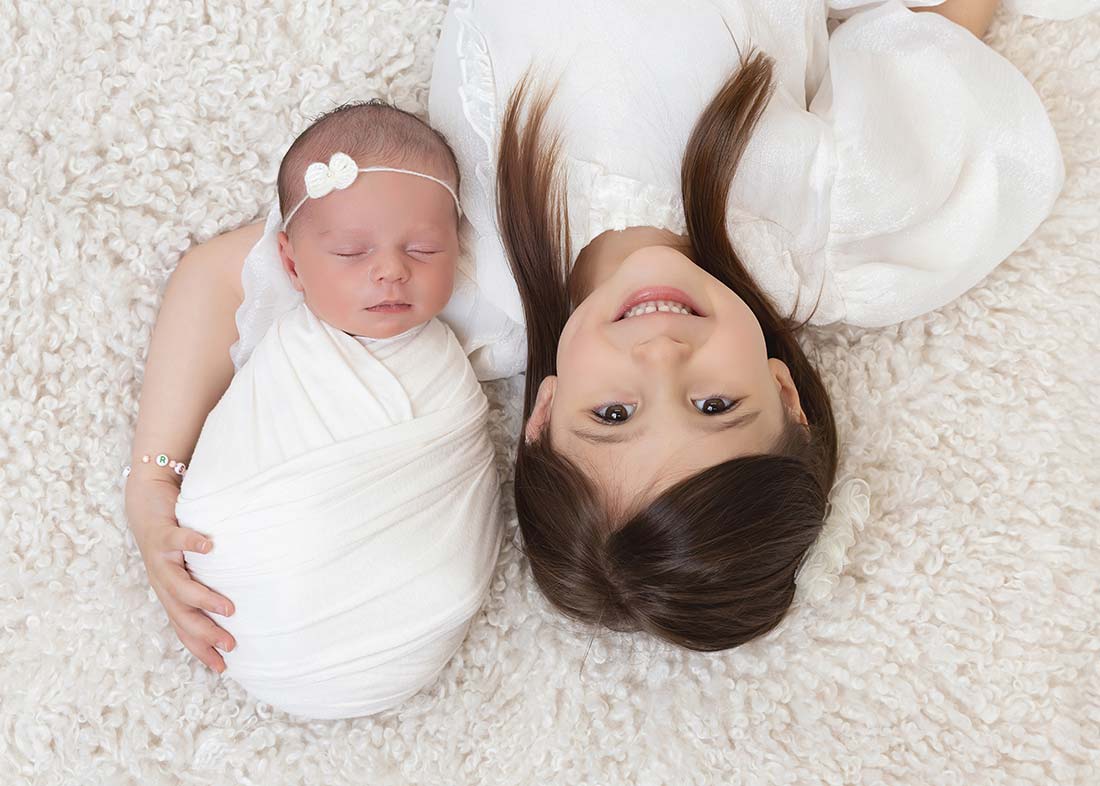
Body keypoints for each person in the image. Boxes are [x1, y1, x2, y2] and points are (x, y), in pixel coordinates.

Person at [125, 0, 1078, 672]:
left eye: (614, 414)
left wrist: (154, 481)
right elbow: (938, 57)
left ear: (540, 415)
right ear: (786, 391)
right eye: (716, 403)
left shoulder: (461, 288)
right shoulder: (823, 236)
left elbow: (223, 278)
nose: (661, 359)